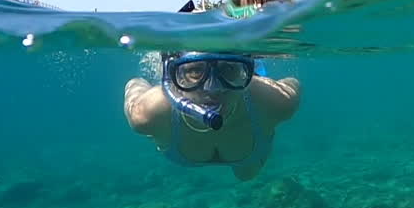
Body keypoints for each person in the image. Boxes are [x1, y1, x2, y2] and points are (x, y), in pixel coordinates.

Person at [124, 51, 302, 181]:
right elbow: (133, 85)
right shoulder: (147, 114)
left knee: (246, 175)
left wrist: (263, 83)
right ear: (173, 76)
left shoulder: (278, 102)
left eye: (229, 69)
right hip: (249, 149)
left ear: (245, 73)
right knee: (246, 173)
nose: (213, 88)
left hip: (249, 158)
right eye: (195, 71)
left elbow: (293, 85)